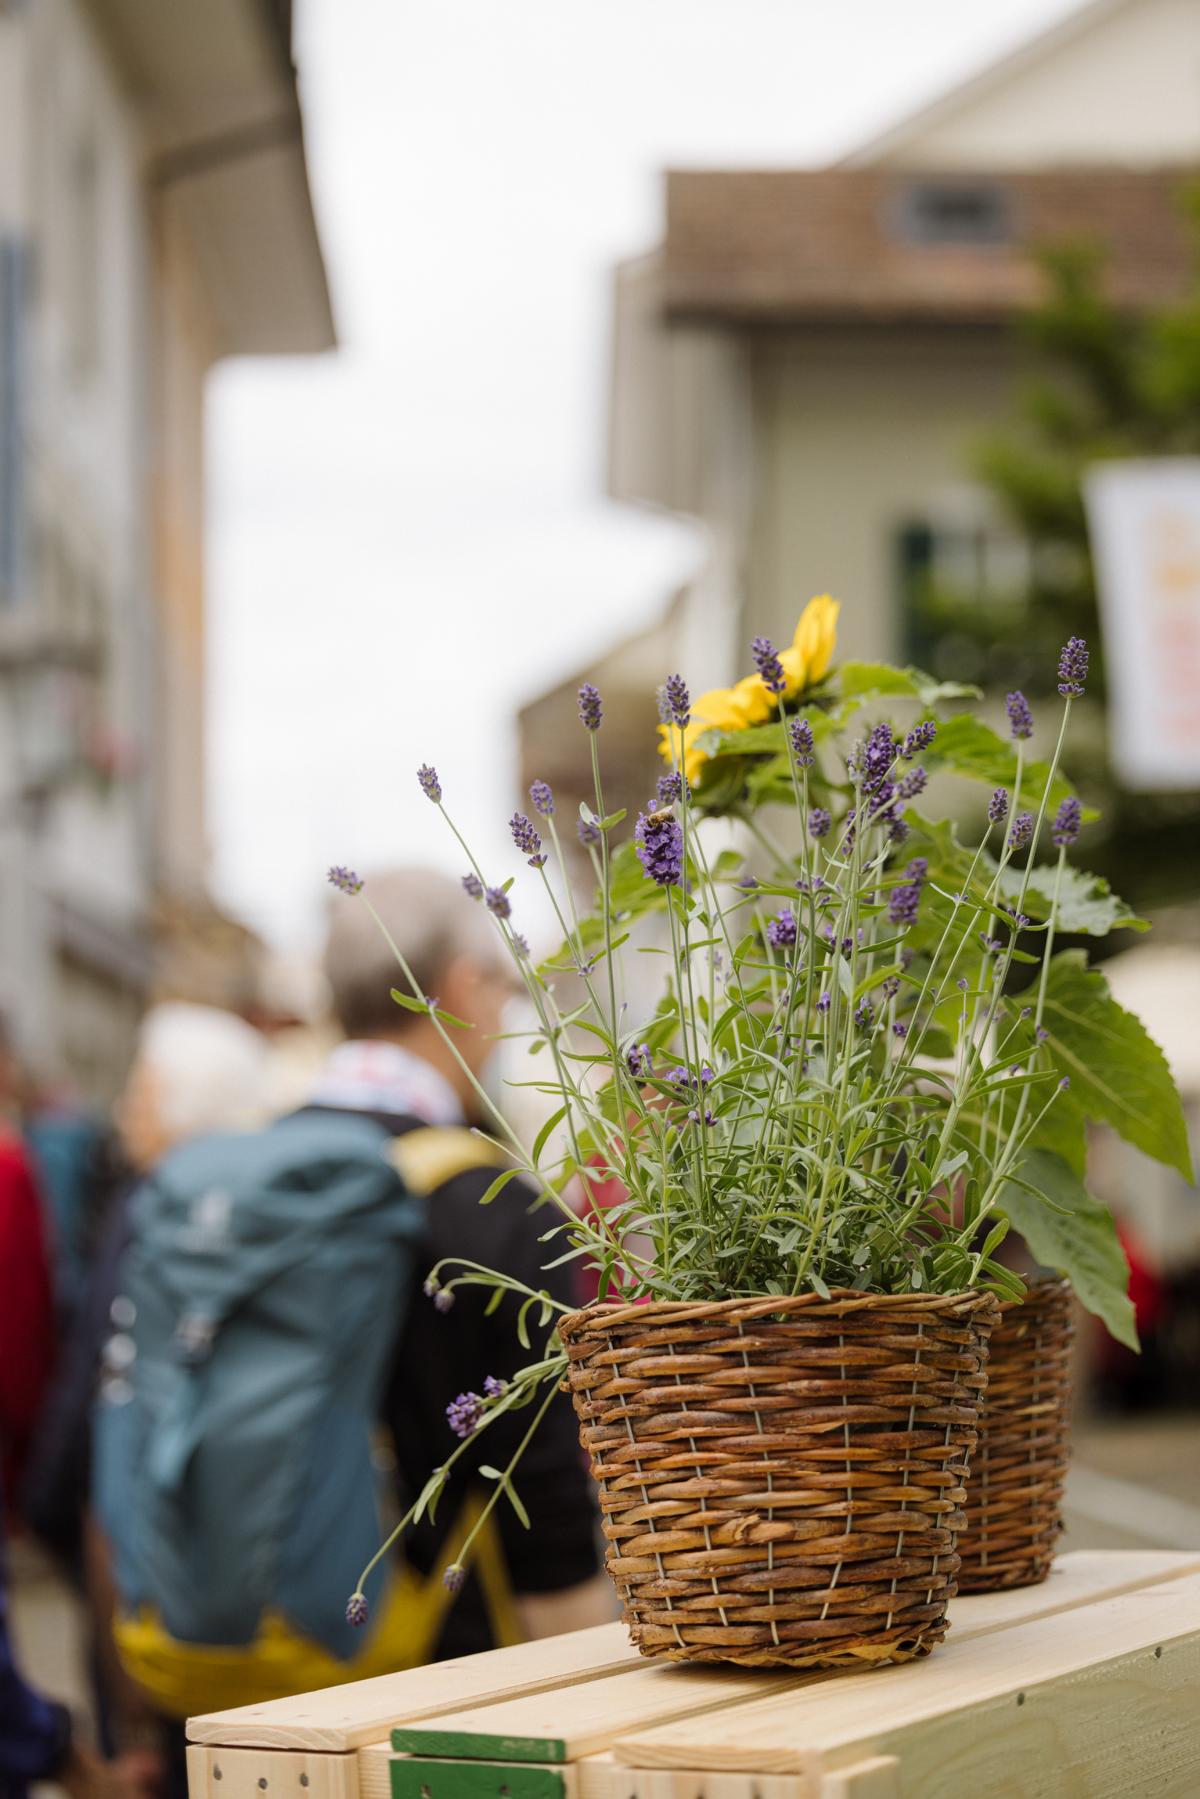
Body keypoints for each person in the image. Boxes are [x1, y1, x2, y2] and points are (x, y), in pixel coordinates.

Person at [311, 867, 609, 1653]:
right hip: (436, 1677)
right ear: (463, 986)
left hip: (216, 1680)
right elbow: (547, 1504)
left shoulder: (220, 1170)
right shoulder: (490, 1204)